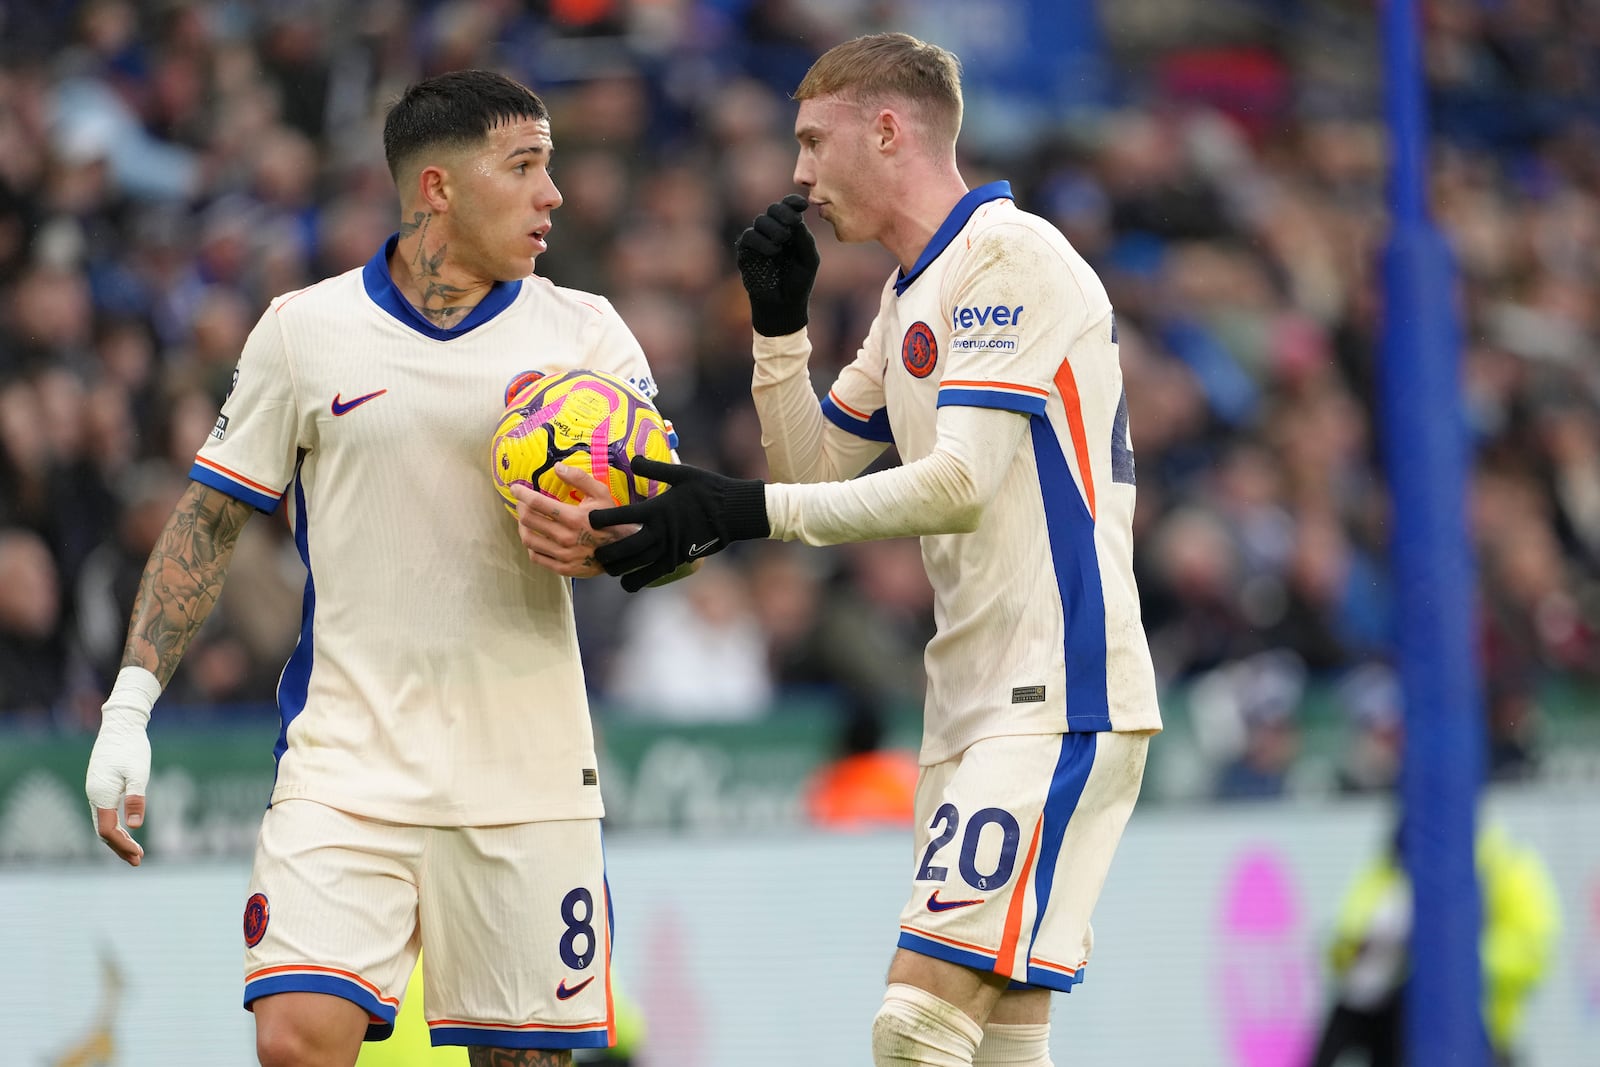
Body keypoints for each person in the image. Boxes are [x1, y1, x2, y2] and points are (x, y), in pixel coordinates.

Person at [571, 32, 1164, 1067]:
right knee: (998, 1041)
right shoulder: (908, 298)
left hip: (1053, 690)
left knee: (913, 1025)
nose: (796, 173)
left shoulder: (1008, 258)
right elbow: (815, 467)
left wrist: (745, 512)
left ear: (887, 130)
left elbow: (958, 485)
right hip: (976, 698)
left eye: (812, 140)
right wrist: (776, 330)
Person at [83, 69, 670, 1067]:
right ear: (435, 187)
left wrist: (620, 540)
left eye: (552, 168)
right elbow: (210, 520)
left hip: (526, 769)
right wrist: (128, 705)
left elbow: (670, 528)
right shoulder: (304, 331)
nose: (552, 195)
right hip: (348, 758)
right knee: (297, 1039)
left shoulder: (588, 334)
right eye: (524, 166)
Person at [1308, 819, 1561, 1067]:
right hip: (1389, 1012)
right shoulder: (1390, 867)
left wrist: (1454, 959)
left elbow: (1532, 952)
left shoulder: (1504, 867)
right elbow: (1344, 938)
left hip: (1483, 1027)